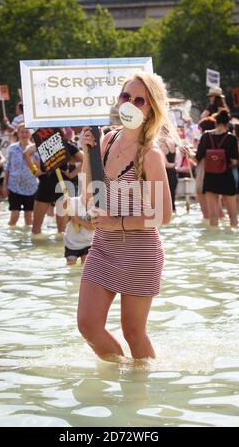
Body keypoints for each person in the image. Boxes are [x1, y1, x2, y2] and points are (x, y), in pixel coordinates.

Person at [78, 72, 174, 362]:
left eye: (139, 100)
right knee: (88, 325)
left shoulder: (150, 154)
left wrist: (116, 222)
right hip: (103, 246)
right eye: (125, 97)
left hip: (140, 252)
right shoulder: (106, 140)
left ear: (151, 109)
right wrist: (86, 154)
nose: (130, 104)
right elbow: (88, 195)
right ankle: (118, 374)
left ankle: (138, 390)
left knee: (133, 333)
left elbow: (164, 215)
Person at [23, 129, 83, 237]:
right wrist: (72, 174)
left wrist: (35, 171)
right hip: (59, 185)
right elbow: (85, 159)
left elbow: (26, 154)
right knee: (61, 230)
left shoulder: (50, 145)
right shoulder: (58, 145)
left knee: (39, 229)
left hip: (54, 185)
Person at [196, 110, 239, 227]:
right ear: (227, 123)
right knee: (233, 217)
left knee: (213, 217)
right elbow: (235, 161)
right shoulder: (232, 138)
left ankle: (213, 238)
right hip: (226, 177)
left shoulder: (205, 136)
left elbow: (198, 158)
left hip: (210, 177)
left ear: (216, 122)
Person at [3, 123, 39, 226]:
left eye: (26, 132)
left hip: (31, 186)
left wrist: (30, 158)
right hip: (14, 186)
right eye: (21, 132)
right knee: (15, 215)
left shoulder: (35, 149)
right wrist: (4, 185)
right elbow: (7, 167)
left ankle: (27, 239)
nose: (24, 134)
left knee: (28, 217)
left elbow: (40, 168)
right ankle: (11, 237)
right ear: (18, 134)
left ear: (30, 134)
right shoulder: (12, 148)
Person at [57, 195, 94, 265]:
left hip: (88, 243)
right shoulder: (72, 202)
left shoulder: (97, 205)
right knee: (70, 265)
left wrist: (77, 219)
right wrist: (64, 209)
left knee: (85, 266)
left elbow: (92, 227)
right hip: (71, 243)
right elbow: (63, 223)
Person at [158, 136, 178, 212]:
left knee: (163, 204)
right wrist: (174, 165)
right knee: (172, 202)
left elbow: (166, 164)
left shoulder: (160, 144)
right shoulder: (172, 141)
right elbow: (174, 162)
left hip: (165, 175)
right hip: (174, 174)